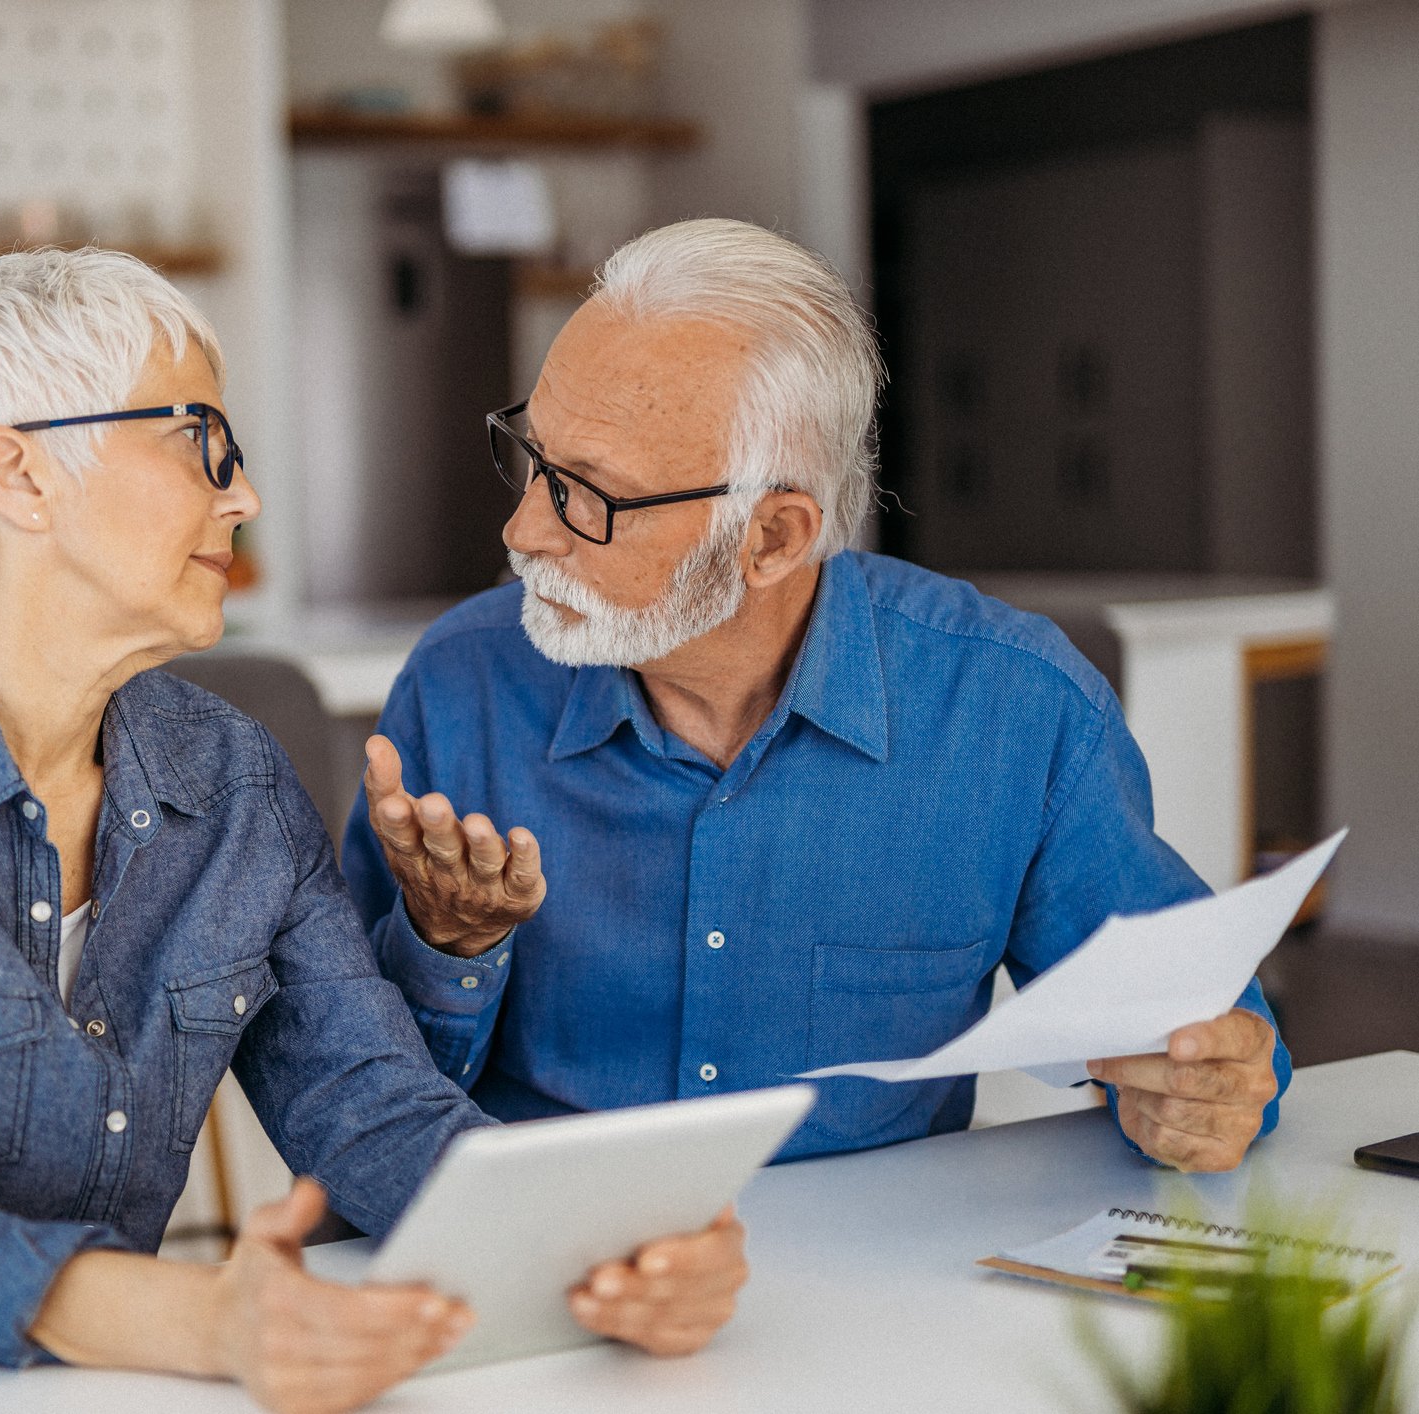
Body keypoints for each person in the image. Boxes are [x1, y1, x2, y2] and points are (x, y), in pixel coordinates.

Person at [0, 249, 748, 1414]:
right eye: (200, 444)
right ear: (17, 476)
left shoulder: (232, 778)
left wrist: (609, 1249)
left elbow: (369, 1104)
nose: (244, 496)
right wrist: (211, 1318)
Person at [343, 218, 1289, 1174]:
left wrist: (1207, 1090)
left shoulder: (1014, 712)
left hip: (876, 1277)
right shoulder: (461, 684)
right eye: (531, 458)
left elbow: (1205, 1032)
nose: (523, 529)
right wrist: (446, 942)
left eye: (587, 495)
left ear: (772, 539)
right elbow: (354, 1093)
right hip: (533, 1261)